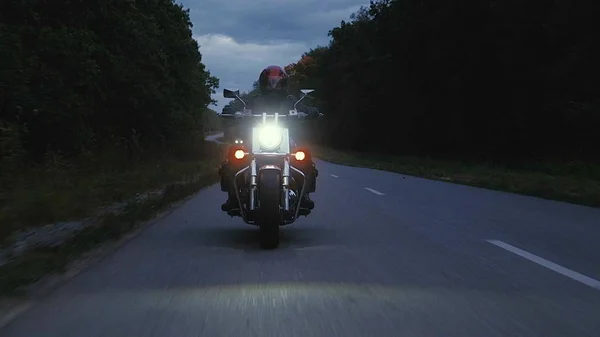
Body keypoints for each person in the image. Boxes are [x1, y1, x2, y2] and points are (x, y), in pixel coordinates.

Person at [220, 65, 317, 212]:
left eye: (277, 81)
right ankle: (233, 196)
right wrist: (232, 111)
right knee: (235, 154)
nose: (273, 85)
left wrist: (311, 112)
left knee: (304, 154)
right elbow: (239, 106)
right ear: (263, 82)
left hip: (286, 139)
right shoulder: (253, 100)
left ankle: (304, 195)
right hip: (256, 138)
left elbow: (304, 108)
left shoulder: (291, 101)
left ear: (284, 82)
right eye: (270, 81)